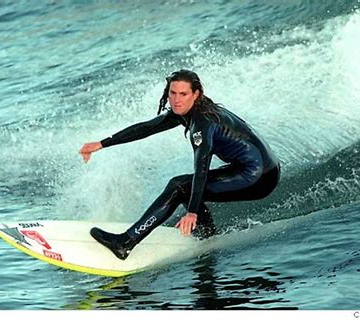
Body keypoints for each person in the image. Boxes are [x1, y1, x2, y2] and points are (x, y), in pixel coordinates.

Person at [79, 69, 280, 260]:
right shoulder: (190, 112)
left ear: (196, 94)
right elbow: (147, 128)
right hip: (261, 168)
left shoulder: (202, 123)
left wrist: (191, 212)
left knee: (180, 186)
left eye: (183, 94)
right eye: (172, 93)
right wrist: (102, 144)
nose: (176, 99)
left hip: (258, 176)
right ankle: (208, 234)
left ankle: (125, 242)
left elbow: (201, 168)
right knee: (185, 186)